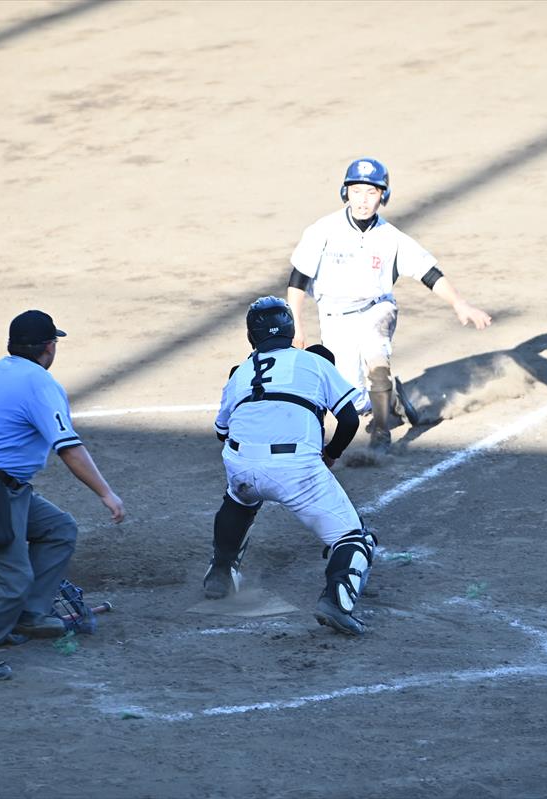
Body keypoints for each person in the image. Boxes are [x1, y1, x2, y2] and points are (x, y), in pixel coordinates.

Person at [0, 309, 125, 681]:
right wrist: (106, 493)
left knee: (58, 529)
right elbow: (68, 447)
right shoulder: (41, 384)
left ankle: (26, 616)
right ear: (49, 347)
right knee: (10, 580)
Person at [286, 157, 494, 451]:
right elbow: (298, 280)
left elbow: (429, 273)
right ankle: (392, 399)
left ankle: (381, 432)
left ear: (383, 196)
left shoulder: (392, 238)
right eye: (356, 191)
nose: (363, 200)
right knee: (352, 400)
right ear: (345, 192)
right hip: (334, 318)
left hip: (376, 309)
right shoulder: (323, 230)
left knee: (377, 362)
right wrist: (297, 325)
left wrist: (459, 303)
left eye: (371, 192)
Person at [203, 296, 376, 635]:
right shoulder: (314, 361)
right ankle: (336, 602)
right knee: (354, 539)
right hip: (296, 470)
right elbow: (349, 420)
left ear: (251, 336)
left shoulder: (239, 373)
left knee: (238, 498)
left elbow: (222, 431)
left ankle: (220, 574)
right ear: (290, 330)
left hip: (241, 464)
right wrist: (331, 454)